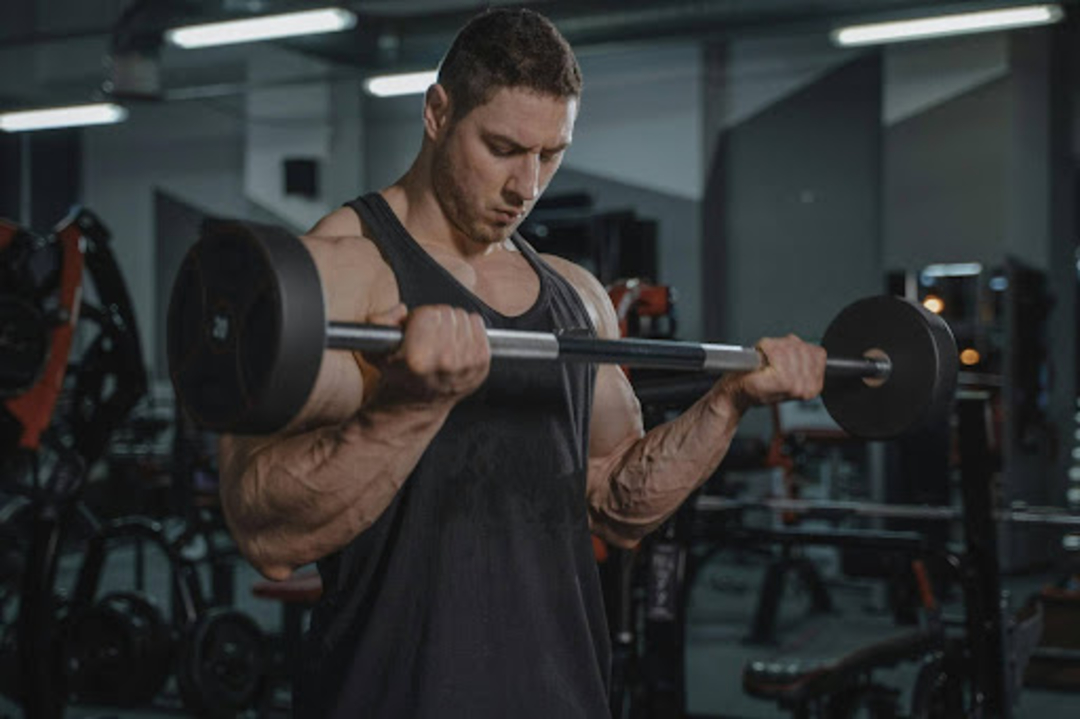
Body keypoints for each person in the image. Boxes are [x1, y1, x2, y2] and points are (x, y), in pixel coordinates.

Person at [218, 7, 826, 718]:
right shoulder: (343, 273)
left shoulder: (577, 297)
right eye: (503, 148)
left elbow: (618, 504)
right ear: (438, 113)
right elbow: (267, 533)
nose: (527, 186)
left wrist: (729, 403)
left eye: (551, 153)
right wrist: (410, 406)